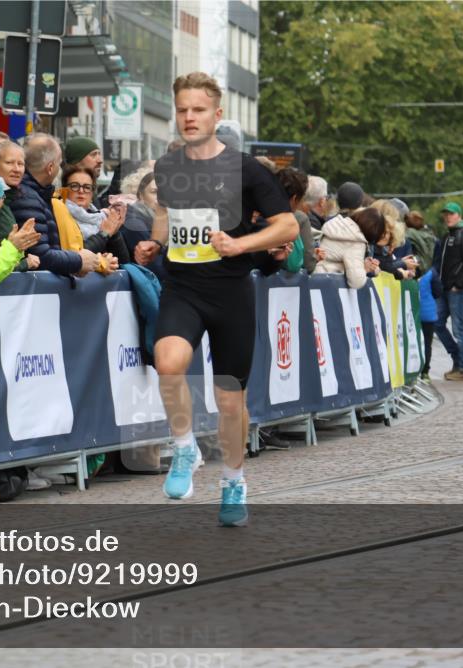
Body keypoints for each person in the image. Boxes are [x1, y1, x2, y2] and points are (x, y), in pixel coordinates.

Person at [132, 72, 298, 526]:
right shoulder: (167, 168)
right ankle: (184, 449)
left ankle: (233, 481)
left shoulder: (247, 169)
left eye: (198, 109)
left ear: (216, 115)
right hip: (184, 287)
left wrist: (240, 246)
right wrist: (153, 244)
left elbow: (288, 226)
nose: (189, 117)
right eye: (183, 109)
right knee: (168, 363)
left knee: (230, 402)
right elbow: (166, 215)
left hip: (231, 291)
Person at [10, 133, 98, 277]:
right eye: (59, 163)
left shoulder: (36, 195)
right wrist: (79, 260)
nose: (60, 169)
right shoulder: (28, 199)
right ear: (50, 168)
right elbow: (41, 256)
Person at [0, 139, 39, 271]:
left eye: (20, 164)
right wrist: (24, 264)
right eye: (9, 163)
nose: (17, 169)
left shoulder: (5, 199)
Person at [434, 202, 463, 381]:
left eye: (451, 214)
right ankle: (457, 358)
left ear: (459, 215)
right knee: (436, 322)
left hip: (459, 290)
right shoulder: (448, 236)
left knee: (459, 328)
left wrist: (457, 285)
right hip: (446, 289)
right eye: (446, 214)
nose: (448, 217)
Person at [57, 164, 129, 264]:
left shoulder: (101, 217)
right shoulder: (58, 215)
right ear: (64, 190)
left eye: (87, 187)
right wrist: (104, 234)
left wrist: (114, 231)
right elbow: (76, 256)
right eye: (74, 186)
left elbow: (124, 262)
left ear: (92, 192)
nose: (81, 191)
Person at [314, 207, 385, 288]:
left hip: (314, 276)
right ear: (374, 232)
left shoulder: (338, 223)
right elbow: (356, 282)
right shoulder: (356, 242)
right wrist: (365, 269)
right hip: (326, 285)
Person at [122, 169, 166, 279]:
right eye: (154, 192)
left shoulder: (167, 217)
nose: (160, 197)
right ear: (141, 196)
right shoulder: (134, 223)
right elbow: (155, 265)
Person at [418, 266, 439, 383]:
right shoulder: (431, 272)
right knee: (427, 343)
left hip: (411, 312)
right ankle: (425, 372)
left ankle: (413, 371)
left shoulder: (406, 266)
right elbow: (438, 291)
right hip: (427, 313)